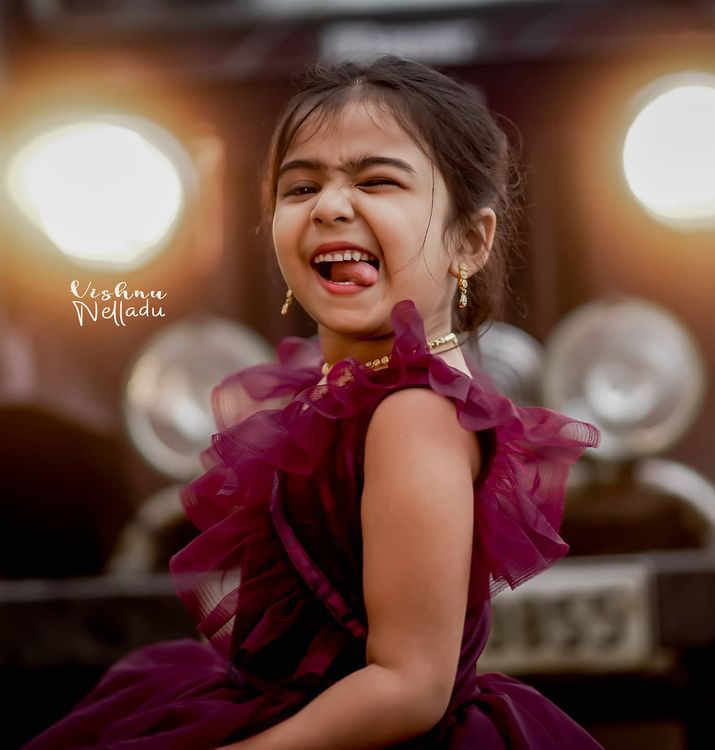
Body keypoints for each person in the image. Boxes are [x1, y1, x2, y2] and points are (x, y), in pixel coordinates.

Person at [22, 56, 603, 749]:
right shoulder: (346, 394)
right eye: (300, 187)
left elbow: (411, 684)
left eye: (377, 181)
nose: (329, 207)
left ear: (470, 241)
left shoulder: (415, 414)